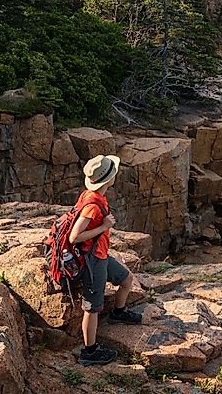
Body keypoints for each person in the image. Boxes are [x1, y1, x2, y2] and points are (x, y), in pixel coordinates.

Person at [70, 154, 142, 366]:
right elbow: (74, 237)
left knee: (126, 280)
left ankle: (119, 313)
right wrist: (103, 227)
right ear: (108, 179)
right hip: (92, 260)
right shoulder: (92, 205)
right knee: (92, 308)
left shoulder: (93, 195)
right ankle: (89, 352)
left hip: (100, 254)